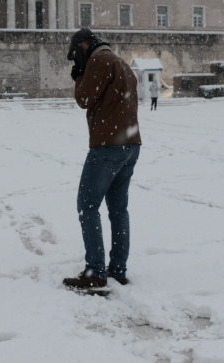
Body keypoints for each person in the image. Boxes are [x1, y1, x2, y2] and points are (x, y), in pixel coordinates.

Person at [63, 28, 142, 291]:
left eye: (76, 55)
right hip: (130, 144)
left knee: (87, 205)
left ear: (83, 45)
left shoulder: (99, 61)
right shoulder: (121, 62)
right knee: (118, 209)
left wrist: (79, 77)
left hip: (108, 145)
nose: (77, 61)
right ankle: (117, 269)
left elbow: (84, 99)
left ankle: (95, 272)